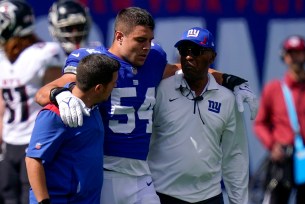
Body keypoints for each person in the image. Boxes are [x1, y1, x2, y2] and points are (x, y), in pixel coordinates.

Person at [34, 7, 257, 204]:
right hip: (106, 169)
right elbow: (45, 92)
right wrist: (58, 94)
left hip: (141, 175)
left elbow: (185, 69)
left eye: (150, 40)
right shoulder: (97, 62)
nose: (147, 47)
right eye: (140, 40)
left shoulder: (154, 59)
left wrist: (227, 79)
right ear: (119, 37)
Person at [147, 27, 249, 204]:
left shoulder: (226, 99)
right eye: (183, 51)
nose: (188, 56)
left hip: (209, 197)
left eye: (196, 51)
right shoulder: (161, 90)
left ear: (212, 57)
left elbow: (235, 156)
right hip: (162, 195)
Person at [25, 54, 120, 204]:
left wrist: (66, 89)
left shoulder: (93, 106)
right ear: (99, 88)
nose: (115, 87)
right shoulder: (54, 114)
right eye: (113, 83)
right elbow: (33, 160)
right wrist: (43, 201)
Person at [0, 0, 66, 203]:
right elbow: (2, 104)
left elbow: (55, 96)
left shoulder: (44, 53)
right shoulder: (3, 58)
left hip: (35, 141)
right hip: (10, 143)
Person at [254, 35, 305, 204]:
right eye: (291, 53)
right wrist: (272, 145)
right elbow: (260, 123)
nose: (295, 58)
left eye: (299, 53)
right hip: (283, 159)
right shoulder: (274, 89)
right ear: (284, 57)